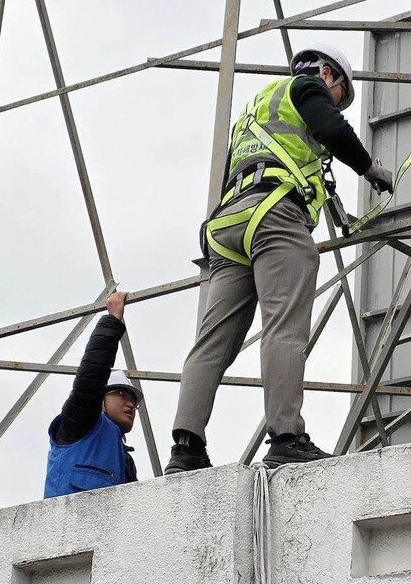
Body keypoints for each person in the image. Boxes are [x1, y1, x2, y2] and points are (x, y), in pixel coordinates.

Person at [167, 43, 394, 474]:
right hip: (275, 216)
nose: (336, 101)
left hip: (229, 224)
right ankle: (287, 436)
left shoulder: (255, 108)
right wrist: (368, 168)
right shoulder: (307, 89)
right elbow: (332, 129)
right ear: (329, 74)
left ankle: (185, 447)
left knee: (212, 342)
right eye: (341, 94)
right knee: (284, 328)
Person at [44, 290, 143, 496]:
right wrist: (112, 321)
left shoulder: (123, 458)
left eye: (133, 399)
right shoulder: (80, 423)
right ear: (101, 397)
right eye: (121, 394)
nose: (130, 404)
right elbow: (92, 373)